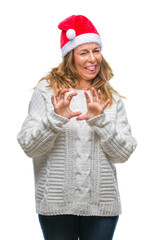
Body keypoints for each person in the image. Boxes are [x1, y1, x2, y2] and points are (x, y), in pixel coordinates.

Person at [17, 15, 137, 240]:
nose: (93, 59)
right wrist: (55, 119)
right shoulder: (47, 92)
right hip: (56, 205)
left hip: (102, 206)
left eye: (96, 50)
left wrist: (100, 120)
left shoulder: (110, 98)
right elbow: (28, 147)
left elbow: (124, 154)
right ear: (69, 57)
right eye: (84, 52)